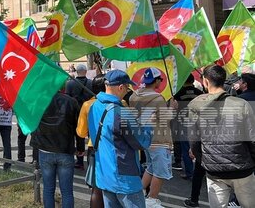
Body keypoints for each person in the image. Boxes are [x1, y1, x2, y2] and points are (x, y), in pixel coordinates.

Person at [188, 65, 255, 208]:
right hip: (242, 168)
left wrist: (204, 160)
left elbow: (194, 141)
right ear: (224, 80)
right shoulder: (241, 104)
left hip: (214, 171)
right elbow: (252, 138)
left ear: (205, 81)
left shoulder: (196, 105)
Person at [87, 70, 152, 207]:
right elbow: (142, 142)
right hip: (124, 178)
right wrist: (148, 124)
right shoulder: (121, 113)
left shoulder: (94, 107)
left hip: (104, 175)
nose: (127, 91)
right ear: (121, 87)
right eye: (127, 88)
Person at [129, 67, 175, 208]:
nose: (161, 82)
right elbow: (164, 119)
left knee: (151, 167)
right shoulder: (157, 98)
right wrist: (172, 108)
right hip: (159, 139)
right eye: (160, 80)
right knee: (160, 171)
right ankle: (152, 200)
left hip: (145, 139)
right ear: (155, 81)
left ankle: (139, 193)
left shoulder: (133, 97)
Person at [30, 90, 80, 208]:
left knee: (48, 189)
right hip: (65, 149)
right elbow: (78, 127)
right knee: (67, 191)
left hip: (45, 149)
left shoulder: (39, 101)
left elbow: (33, 123)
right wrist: (81, 147)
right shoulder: (71, 101)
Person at [76, 74, 106, 208]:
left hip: (94, 148)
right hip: (115, 150)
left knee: (96, 188)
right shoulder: (120, 103)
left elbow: (81, 133)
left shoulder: (87, 105)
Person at [174, 74, 203, 183]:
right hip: (198, 123)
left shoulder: (178, 94)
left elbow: (174, 108)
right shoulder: (200, 93)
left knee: (186, 148)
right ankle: (201, 170)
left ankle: (189, 172)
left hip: (184, 123)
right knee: (199, 147)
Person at [66, 64, 92, 170]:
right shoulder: (90, 83)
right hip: (90, 112)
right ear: (85, 71)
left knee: (79, 137)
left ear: (76, 71)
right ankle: (92, 159)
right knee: (92, 137)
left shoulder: (70, 84)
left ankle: (80, 161)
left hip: (75, 114)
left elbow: (67, 99)